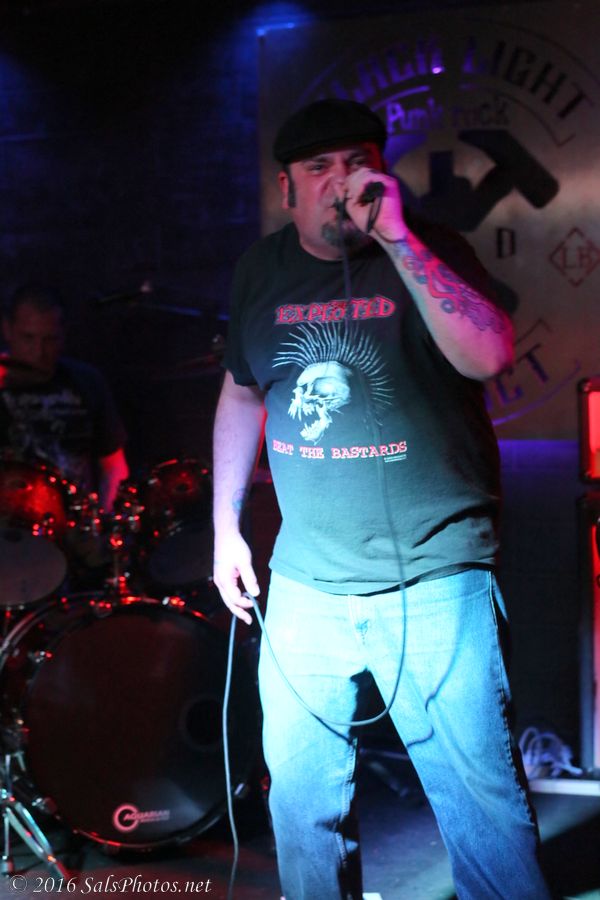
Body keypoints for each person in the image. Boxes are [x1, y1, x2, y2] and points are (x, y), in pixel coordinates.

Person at [212, 99, 551, 900]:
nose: (342, 184)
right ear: (287, 187)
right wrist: (225, 526)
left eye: (358, 163)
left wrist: (399, 240)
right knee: (301, 810)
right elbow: (240, 392)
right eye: (320, 169)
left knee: (482, 811)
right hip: (306, 585)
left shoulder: (432, 249)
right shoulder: (260, 271)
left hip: (435, 579)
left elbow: (489, 355)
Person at [1, 283, 128, 511]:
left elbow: (113, 465)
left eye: (50, 339)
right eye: (28, 338)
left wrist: (107, 517)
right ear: (7, 330)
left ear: (63, 336)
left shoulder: (86, 380)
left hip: (73, 521)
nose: (39, 351)